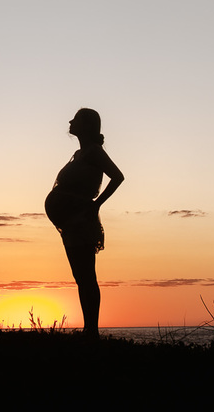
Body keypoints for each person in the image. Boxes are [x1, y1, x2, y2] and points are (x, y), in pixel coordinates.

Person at [44, 108, 124, 334]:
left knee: (87, 276)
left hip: (81, 221)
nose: (70, 121)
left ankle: (92, 330)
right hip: (70, 223)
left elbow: (118, 176)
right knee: (81, 277)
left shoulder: (94, 152)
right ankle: (89, 329)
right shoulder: (79, 154)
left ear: (86, 125)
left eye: (76, 119)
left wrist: (97, 204)